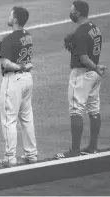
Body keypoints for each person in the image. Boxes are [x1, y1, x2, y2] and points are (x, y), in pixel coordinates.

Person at [54, 0, 107, 159]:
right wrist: (97, 68)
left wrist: (96, 68)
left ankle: (75, 150)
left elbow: (83, 58)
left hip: (82, 74)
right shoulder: (95, 29)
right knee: (94, 109)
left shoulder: (80, 33)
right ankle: (92, 147)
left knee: (76, 110)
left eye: (72, 11)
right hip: (94, 75)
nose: (71, 14)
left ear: (78, 13)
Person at [0, 6, 38, 167]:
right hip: (27, 80)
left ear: (16, 20)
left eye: (11, 15)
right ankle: (31, 154)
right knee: (27, 118)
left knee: (9, 120)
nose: (9, 17)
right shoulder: (28, 36)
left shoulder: (9, 39)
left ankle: (10, 157)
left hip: (14, 81)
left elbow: (6, 64)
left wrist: (19, 66)